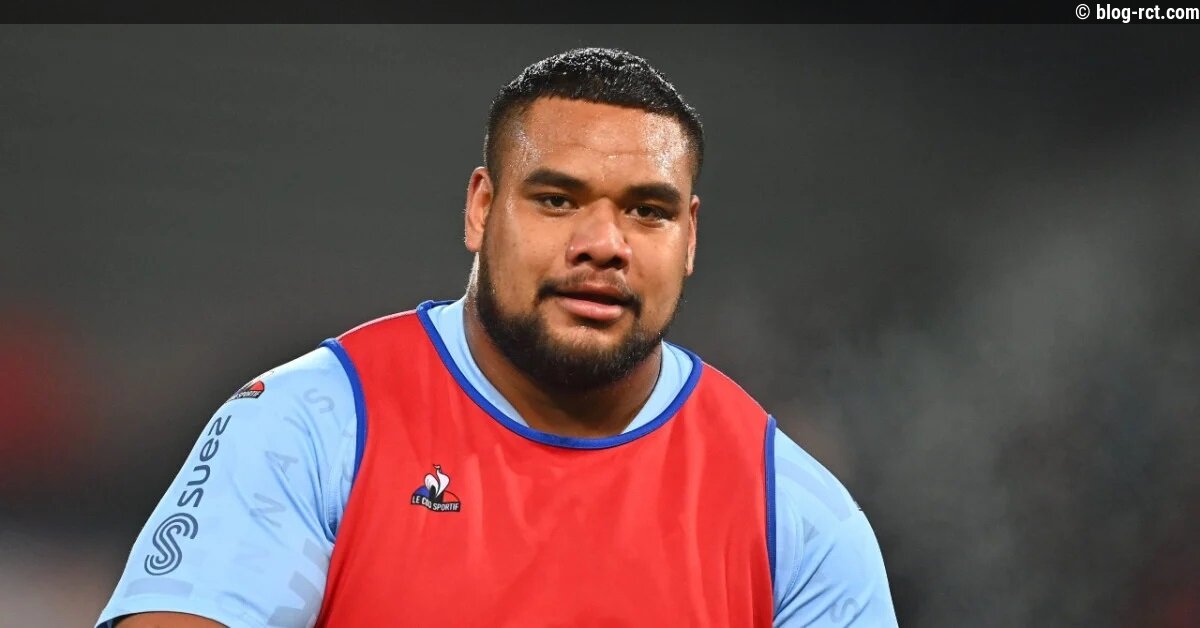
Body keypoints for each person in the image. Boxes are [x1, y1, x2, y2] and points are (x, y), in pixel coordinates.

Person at [97, 47, 898, 627]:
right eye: (557, 200)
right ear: (482, 208)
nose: (603, 244)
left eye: (647, 211)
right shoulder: (309, 425)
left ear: (688, 237)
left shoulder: (794, 520)